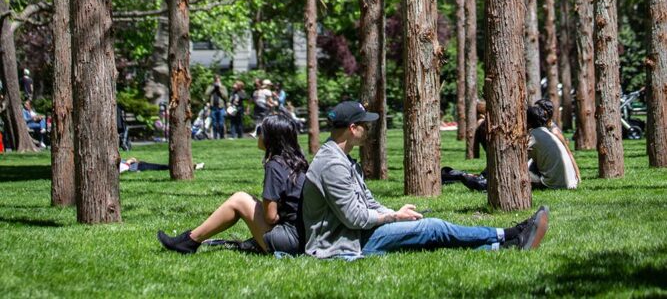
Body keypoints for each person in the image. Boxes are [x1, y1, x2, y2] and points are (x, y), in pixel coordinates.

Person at [303, 101, 549, 259]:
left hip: (357, 234)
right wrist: (393, 217)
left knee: (430, 240)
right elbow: (354, 217)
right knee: (433, 229)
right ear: (353, 128)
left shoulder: (344, 159)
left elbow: (368, 202)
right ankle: (510, 232)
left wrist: (394, 212)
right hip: (342, 243)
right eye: (365, 125)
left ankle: (510, 245)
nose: (369, 130)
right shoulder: (332, 164)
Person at [157, 112, 308, 256]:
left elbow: (270, 217)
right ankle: (189, 239)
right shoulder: (298, 162)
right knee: (246, 200)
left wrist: (260, 211)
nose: (258, 134)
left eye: (261, 131)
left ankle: (189, 242)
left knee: (240, 199)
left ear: (271, 138)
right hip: (304, 238)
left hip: (289, 243)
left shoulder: (275, 165)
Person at [527, 105, 580, 190]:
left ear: (528, 122)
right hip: (570, 183)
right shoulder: (547, 132)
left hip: (554, 184)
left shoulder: (532, 136)